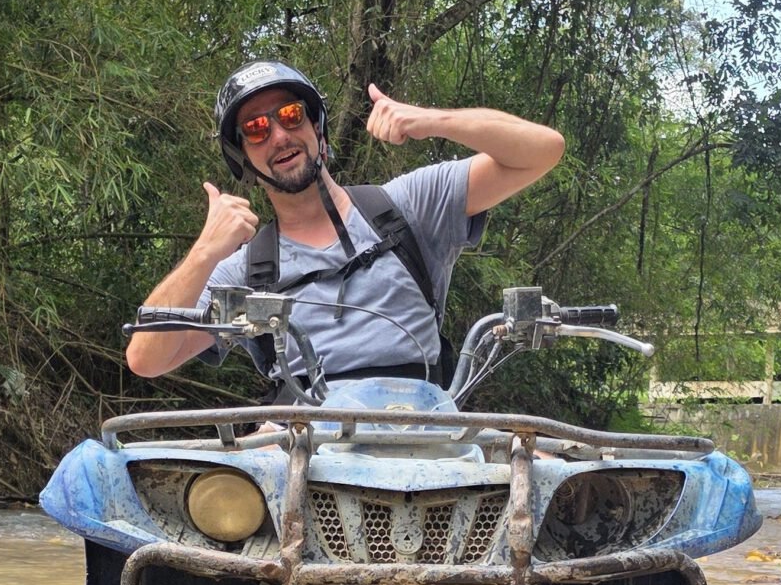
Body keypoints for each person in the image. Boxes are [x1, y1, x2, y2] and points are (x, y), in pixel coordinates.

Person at [124, 60, 564, 386]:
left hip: (426, 435)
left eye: (291, 115)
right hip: (303, 452)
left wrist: (433, 121)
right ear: (242, 157)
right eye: (256, 129)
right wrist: (204, 252)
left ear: (316, 127)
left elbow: (543, 150)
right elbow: (146, 359)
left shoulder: (407, 205)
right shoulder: (247, 271)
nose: (279, 135)